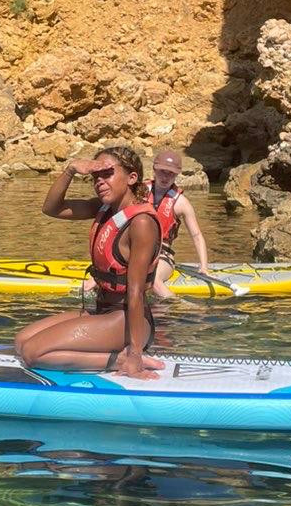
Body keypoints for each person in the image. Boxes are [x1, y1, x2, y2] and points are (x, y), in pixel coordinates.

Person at [14, 146, 164, 376]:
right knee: (21, 341)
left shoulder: (141, 223)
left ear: (132, 177)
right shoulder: (103, 209)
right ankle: (115, 356)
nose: (99, 182)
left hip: (129, 321)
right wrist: (71, 170)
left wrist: (135, 354)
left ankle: (120, 360)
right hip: (103, 311)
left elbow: (135, 292)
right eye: (95, 177)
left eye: (107, 174)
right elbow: (51, 208)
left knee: (33, 353)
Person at [148, 147, 210, 299]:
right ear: (154, 170)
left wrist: (203, 266)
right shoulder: (138, 192)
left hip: (163, 256)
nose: (165, 177)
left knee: (153, 280)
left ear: (176, 175)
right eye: (162, 171)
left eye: (171, 174)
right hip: (137, 252)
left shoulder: (181, 203)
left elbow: (196, 235)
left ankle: (180, 307)